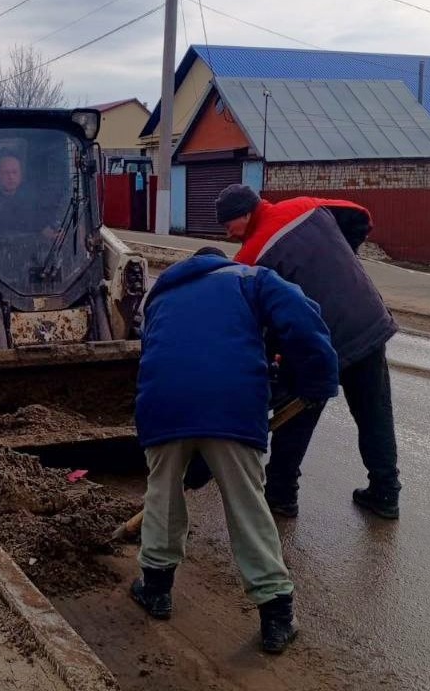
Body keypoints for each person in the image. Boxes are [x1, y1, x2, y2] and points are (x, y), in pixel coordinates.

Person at [132, 246, 339, 654]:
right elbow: (301, 315)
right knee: (247, 503)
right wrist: (319, 377)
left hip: (161, 402)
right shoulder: (250, 278)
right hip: (232, 402)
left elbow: (162, 352)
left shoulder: (160, 294)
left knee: (162, 495)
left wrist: (190, 449)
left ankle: (156, 590)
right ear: (224, 262)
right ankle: (276, 615)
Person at [215, 184, 402, 520]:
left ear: (246, 213)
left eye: (228, 223)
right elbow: (361, 217)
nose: (227, 232)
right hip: (367, 321)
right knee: (375, 413)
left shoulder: (250, 258)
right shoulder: (307, 206)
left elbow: (254, 322)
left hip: (317, 340)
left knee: (296, 415)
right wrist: (341, 259)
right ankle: (385, 493)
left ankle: (282, 494)